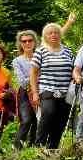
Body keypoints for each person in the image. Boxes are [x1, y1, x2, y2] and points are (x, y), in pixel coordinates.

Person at [31, 15, 78, 150]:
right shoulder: (41, 51)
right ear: (45, 36)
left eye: (56, 32)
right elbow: (33, 73)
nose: (54, 35)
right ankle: (38, 147)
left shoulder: (68, 51)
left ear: (60, 35)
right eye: (50, 33)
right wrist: (35, 93)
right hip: (47, 90)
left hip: (66, 93)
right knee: (48, 113)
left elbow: (74, 68)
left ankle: (53, 148)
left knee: (61, 121)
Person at [10, 29, 40, 148]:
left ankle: (32, 149)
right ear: (20, 44)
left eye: (30, 40)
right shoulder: (17, 61)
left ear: (34, 42)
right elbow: (22, 82)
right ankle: (17, 149)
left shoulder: (40, 57)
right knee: (26, 120)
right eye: (24, 41)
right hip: (25, 93)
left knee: (37, 122)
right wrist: (36, 76)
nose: (27, 43)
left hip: (40, 91)